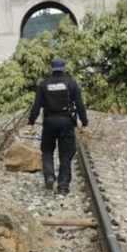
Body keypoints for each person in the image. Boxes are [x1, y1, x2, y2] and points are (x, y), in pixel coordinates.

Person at [27, 58, 88, 195]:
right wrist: (84, 123)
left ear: (52, 69)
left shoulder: (43, 84)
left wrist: (31, 122)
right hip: (66, 122)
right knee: (66, 153)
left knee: (47, 149)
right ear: (63, 68)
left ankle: (49, 175)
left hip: (49, 122)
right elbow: (80, 105)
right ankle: (63, 186)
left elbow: (36, 106)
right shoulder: (71, 83)